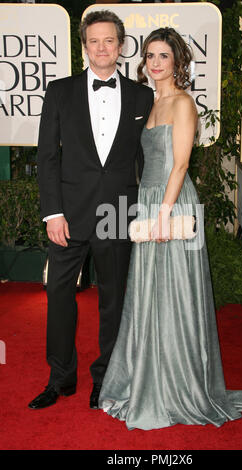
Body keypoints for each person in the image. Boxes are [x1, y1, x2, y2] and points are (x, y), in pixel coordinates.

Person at [97, 27, 242, 430]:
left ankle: (178, 384)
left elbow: (180, 164)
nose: (155, 63)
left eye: (163, 56)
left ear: (177, 62)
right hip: (150, 200)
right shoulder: (152, 103)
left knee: (174, 291)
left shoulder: (182, 104)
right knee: (148, 293)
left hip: (172, 204)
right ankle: (146, 378)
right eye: (149, 56)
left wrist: (162, 214)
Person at [28, 10, 154, 410]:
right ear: (85, 47)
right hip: (68, 213)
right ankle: (60, 379)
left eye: (109, 40)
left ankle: (107, 378)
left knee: (113, 300)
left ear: (121, 45)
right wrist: (52, 213)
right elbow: (47, 156)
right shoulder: (60, 91)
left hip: (118, 210)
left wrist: (147, 212)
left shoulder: (142, 95)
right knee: (60, 296)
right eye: (94, 41)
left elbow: (147, 159)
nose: (102, 48)